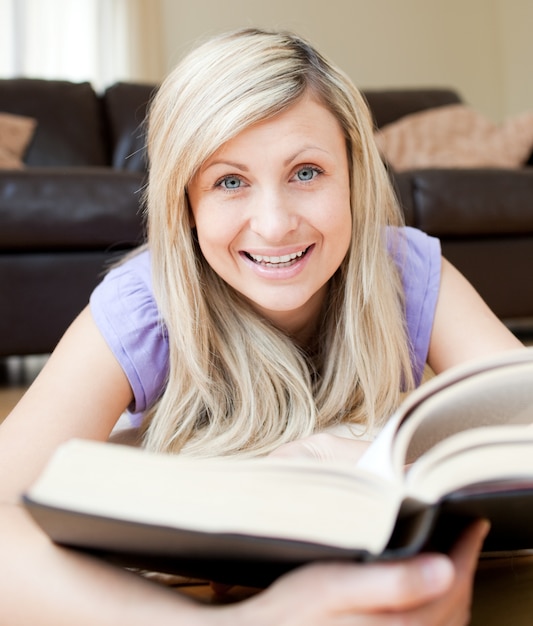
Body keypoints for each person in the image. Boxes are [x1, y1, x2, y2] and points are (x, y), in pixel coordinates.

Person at [0, 27, 523, 625]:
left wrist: (361, 461)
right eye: (229, 181)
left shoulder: (404, 271)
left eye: (306, 172)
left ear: (353, 175)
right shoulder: (146, 305)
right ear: (185, 205)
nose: (274, 225)